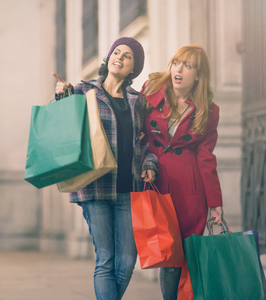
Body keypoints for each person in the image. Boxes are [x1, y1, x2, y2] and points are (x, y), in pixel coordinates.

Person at [53, 37, 157, 300]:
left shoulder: (137, 101)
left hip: (127, 188)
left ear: (134, 68)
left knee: (126, 261)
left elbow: (145, 143)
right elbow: (65, 126)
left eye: (127, 56)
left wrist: (149, 164)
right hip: (94, 186)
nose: (119, 58)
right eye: (116, 52)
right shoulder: (83, 90)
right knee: (106, 258)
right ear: (109, 57)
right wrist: (61, 96)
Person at [142, 44, 224, 300]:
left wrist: (215, 203)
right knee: (168, 255)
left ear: (198, 75)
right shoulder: (152, 90)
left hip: (190, 191)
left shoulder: (209, 111)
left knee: (187, 255)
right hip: (157, 183)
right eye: (177, 62)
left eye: (187, 66)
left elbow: (206, 158)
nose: (179, 68)